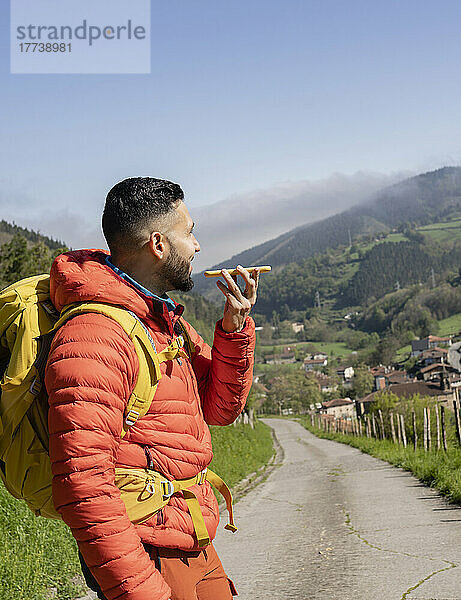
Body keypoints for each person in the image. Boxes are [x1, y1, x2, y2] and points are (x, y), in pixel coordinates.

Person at [44, 177, 258, 600]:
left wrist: (233, 331)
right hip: (147, 550)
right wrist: (142, 590)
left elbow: (220, 411)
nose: (197, 246)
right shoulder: (93, 336)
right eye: (189, 231)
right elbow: (81, 482)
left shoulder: (161, 321)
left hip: (191, 533)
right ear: (158, 244)